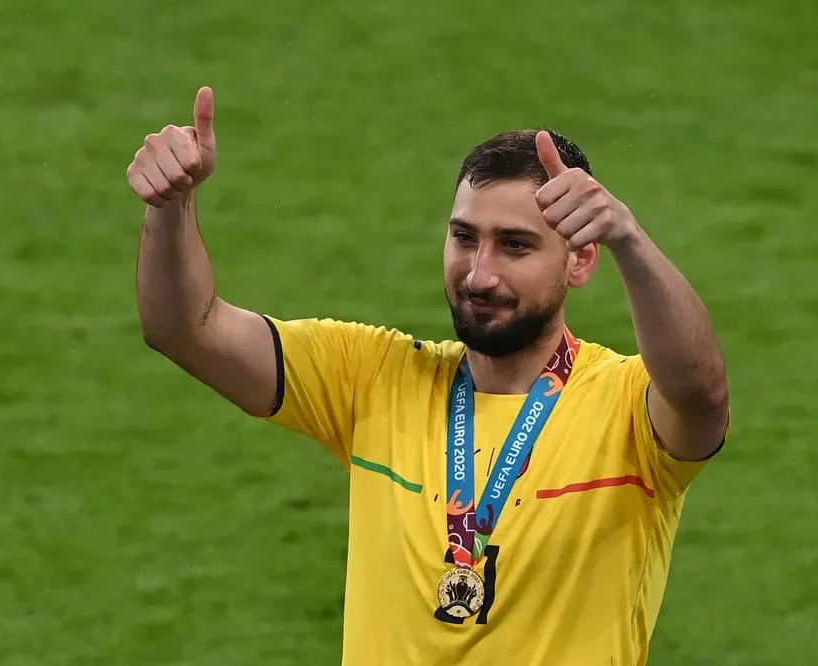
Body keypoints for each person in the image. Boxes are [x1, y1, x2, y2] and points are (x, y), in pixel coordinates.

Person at [127, 86, 731, 665]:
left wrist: (628, 238)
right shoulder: (372, 377)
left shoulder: (624, 407)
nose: (479, 274)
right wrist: (170, 207)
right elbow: (189, 329)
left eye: (515, 246)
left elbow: (701, 392)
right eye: (465, 238)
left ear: (580, 259)